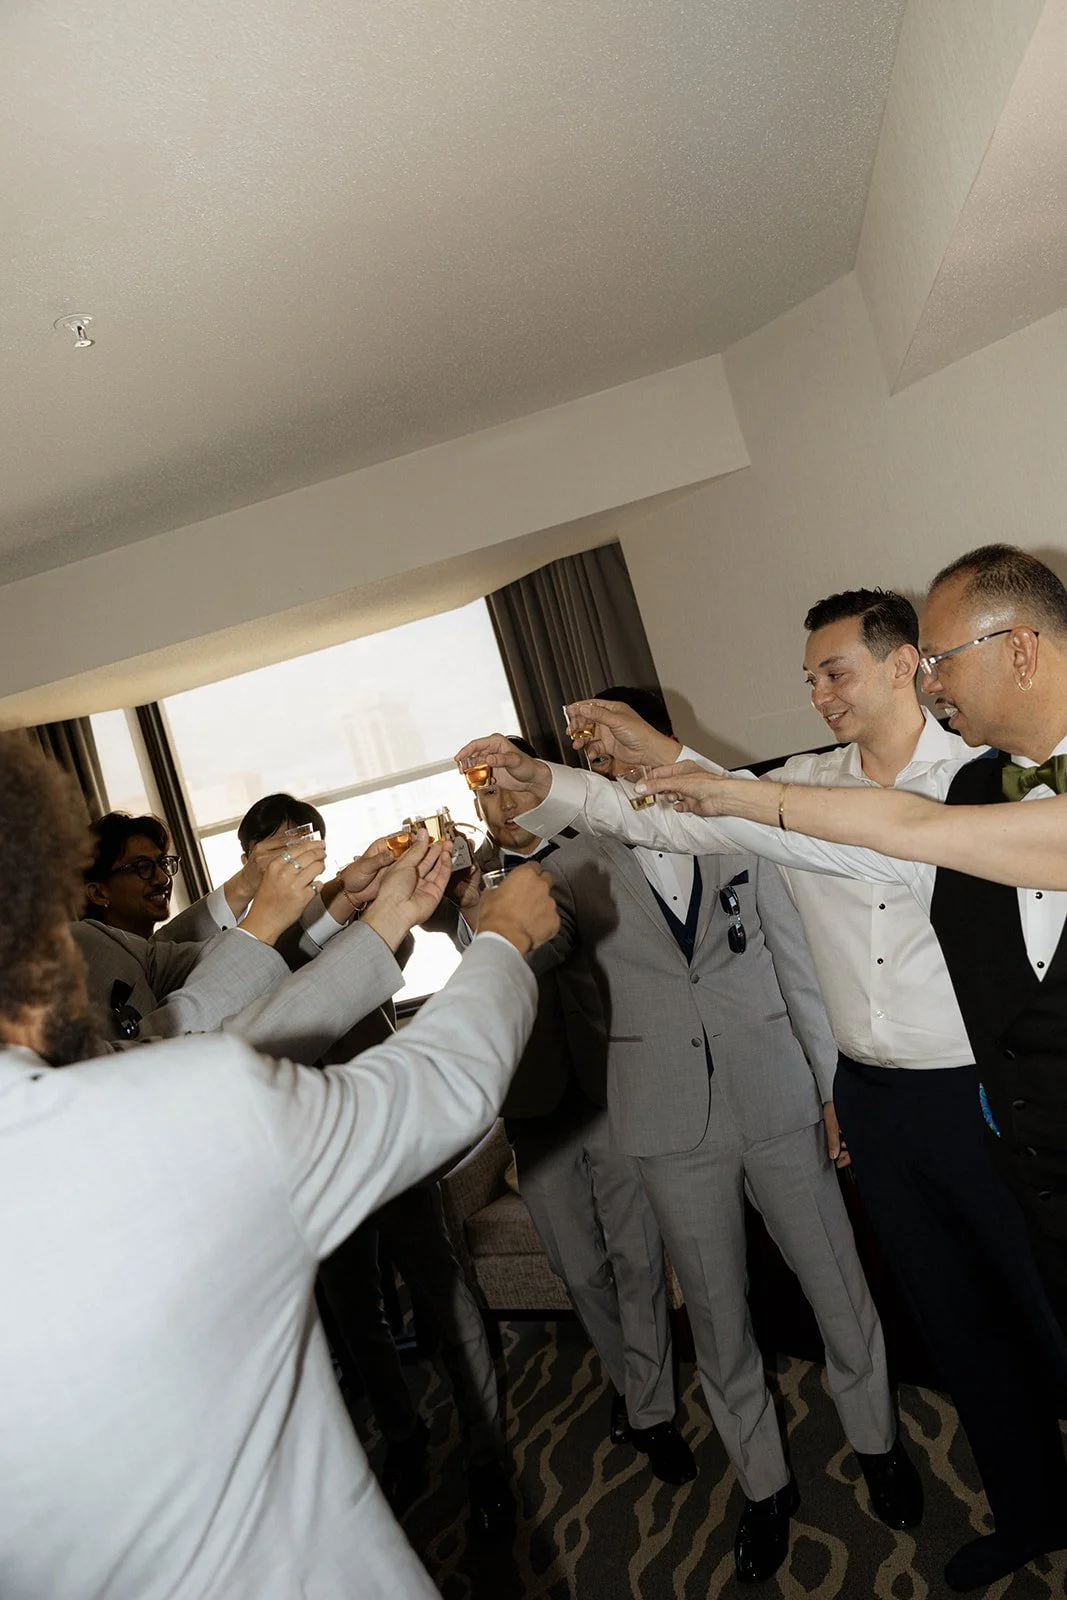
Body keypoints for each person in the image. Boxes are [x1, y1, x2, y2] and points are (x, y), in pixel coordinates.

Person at [0, 730, 558, 1600]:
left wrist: (366, 911)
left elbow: (192, 1008)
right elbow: (435, 1084)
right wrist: (503, 940)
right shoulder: (174, 1106)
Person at [460, 695, 920, 1587]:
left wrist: (830, 1091)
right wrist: (506, 856)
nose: (610, 757)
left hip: (775, 1089)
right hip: (665, 1116)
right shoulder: (566, 855)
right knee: (716, 1311)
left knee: (836, 1280)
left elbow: (799, 959)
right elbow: (518, 950)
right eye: (591, 749)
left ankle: (877, 1443)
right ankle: (763, 1484)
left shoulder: (740, 817)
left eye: (618, 739)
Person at [162, 789, 515, 1540]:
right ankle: (404, 1436)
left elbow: (376, 953)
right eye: (285, 844)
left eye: (312, 837)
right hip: (299, 1150)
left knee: (443, 1288)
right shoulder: (204, 948)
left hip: (382, 1131)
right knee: (358, 1313)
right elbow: (219, 989)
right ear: (251, 857)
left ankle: (487, 1445)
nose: (305, 852)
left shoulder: (358, 917)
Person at [452, 737, 691, 1485]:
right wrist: (470, 907)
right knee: (577, 1268)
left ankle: (648, 1408)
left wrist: (498, 923)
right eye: (486, 797)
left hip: (614, 1089)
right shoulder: (472, 895)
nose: (505, 808)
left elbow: (550, 949)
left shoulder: (597, 848)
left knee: (637, 1258)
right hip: (533, 1111)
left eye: (513, 789)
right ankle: (630, 1381)